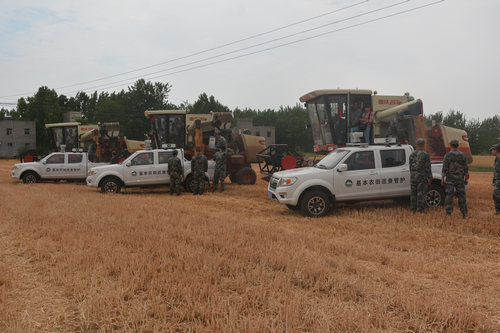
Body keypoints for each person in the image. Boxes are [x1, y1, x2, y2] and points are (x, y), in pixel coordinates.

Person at [441, 139, 468, 217]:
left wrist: (443, 179)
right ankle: (464, 212)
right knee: (461, 196)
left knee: (449, 196)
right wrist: (466, 179)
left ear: (450, 144)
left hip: (450, 179)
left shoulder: (447, 155)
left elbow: (444, 168)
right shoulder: (463, 155)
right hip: (460, 179)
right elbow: (465, 168)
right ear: (458, 145)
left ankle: (448, 213)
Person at [409, 138, 432, 214]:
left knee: (413, 193)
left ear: (416, 144)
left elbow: (410, 167)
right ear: (424, 145)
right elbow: (427, 168)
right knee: (420, 194)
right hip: (421, 177)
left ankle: (413, 209)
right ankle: (420, 210)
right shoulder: (425, 155)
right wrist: (429, 178)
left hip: (413, 177)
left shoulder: (412, 154)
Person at [490, 144, 500, 215]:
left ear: (495, 150)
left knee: (496, 194)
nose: (491, 151)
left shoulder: (499, 158)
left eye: (492, 150)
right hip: (497, 180)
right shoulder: (497, 158)